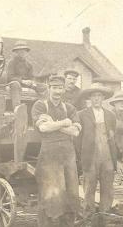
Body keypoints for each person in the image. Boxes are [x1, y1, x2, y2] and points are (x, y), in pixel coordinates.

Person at [31, 75, 82, 227]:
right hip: (49, 153)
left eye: (60, 88)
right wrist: (65, 122)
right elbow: (43, 128)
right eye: (54, 87)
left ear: (64, 89)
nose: (57, 91)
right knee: (50, 192)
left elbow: (75, 132)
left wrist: (54, 124)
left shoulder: (70, 108)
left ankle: (67, 224)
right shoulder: (40, 106)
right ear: (49, 88)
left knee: (71, 190)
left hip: (68, 153)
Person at [76, 83, 116, 227]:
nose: (97, 98)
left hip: (107, 156)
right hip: (90, 156)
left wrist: (112, 156)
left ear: (103, 97)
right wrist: (81, 156)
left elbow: (112, 135)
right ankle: (89, 219)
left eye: (99, 96)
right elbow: (77, 139)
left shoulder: (110, 115)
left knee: (107, 188)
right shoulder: (81, 114)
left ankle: (105, 217)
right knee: (89, 188)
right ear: (89, 98)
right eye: (94, 96)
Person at [5, 40, 35, 111]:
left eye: (24, 51)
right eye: (20, 51)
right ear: (16, 52)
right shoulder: (11, 63)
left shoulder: (29, 65)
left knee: (43, 87)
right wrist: (22, 81)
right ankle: (17, 109)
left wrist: (31, 81)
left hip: (26, 84)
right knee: (15, 84)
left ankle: (43, 109)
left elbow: (31, 77)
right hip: (15, 83)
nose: (22, 53)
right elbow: (10, 77)